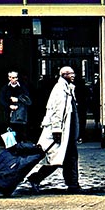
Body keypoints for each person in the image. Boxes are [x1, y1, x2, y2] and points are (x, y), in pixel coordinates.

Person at [35, 65, 83, 193]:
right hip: (62, 132)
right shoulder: (60, 90)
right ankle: (35, 178)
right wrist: (57, 130)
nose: (73, 75)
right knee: (57, 159)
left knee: (69, 158)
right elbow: (57, 112)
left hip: (69, 132)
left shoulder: (68, 89)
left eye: (73, 73)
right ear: (63, 75)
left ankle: (73, 184)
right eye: (70, 73)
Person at [0, 71, 32, 142]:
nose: (14, 79)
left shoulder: (23, 87)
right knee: (9, 129)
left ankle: (21, 145)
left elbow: (28, 99)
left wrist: (18, 100)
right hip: (9, 112)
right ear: (9, 78)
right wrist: (9, 106)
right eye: (12, 77)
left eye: (15, 77)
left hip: (21, 113)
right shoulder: (5, 88)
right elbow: (2, 100)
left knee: (21, 130)